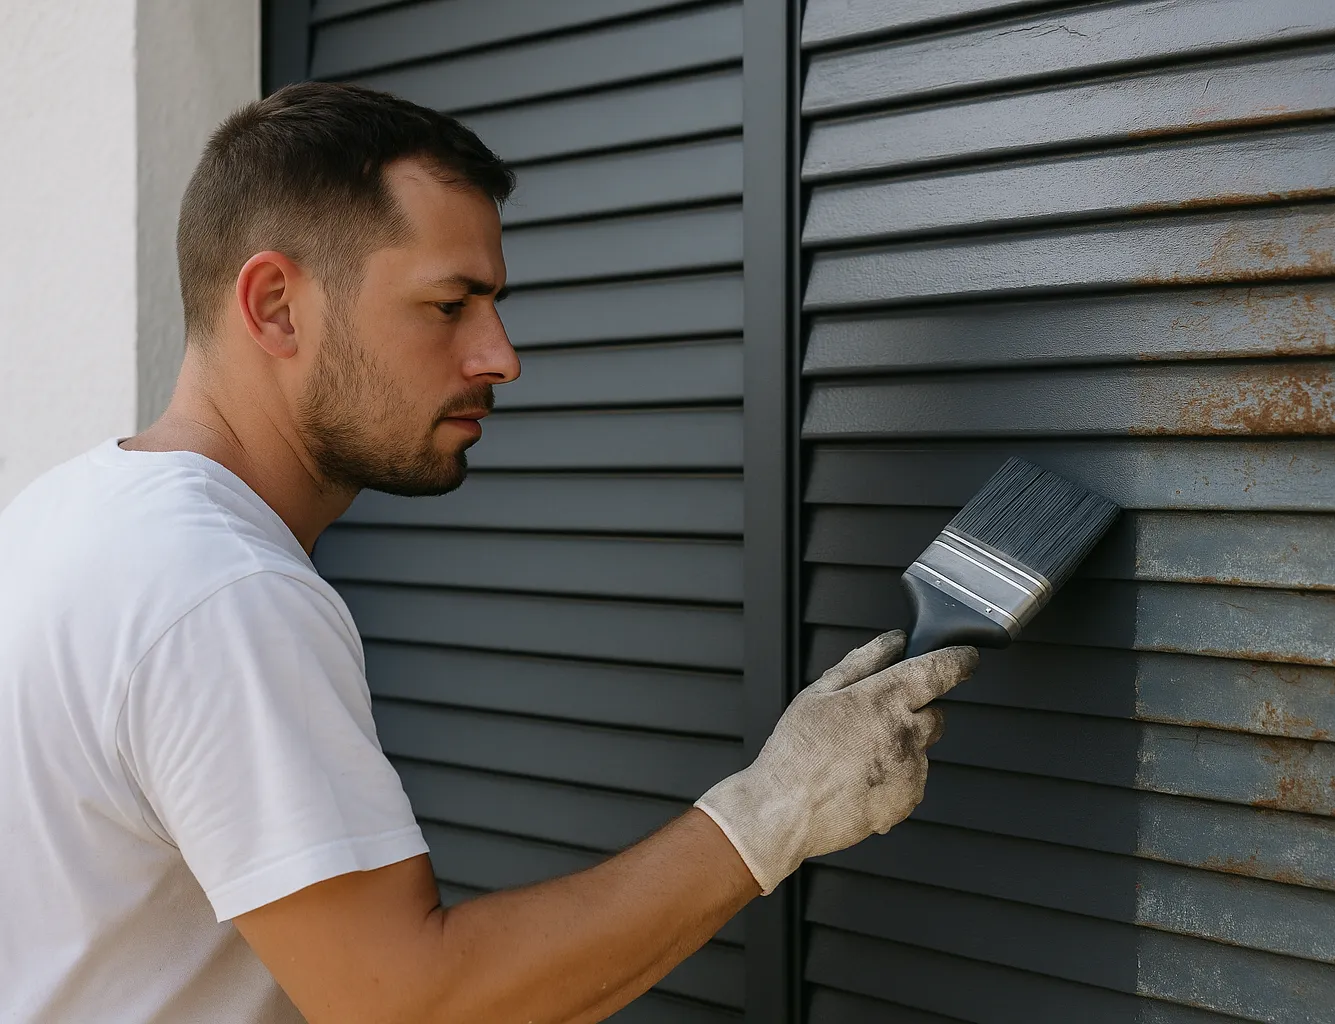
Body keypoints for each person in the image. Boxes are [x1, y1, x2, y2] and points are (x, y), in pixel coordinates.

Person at [0, 82, 977, 1023]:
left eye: (493, 303)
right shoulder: (218, 588)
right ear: (275, 306)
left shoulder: (64, 514)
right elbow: (412, 1004)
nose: (500, 355)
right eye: (449, 304)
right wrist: (774, 810)